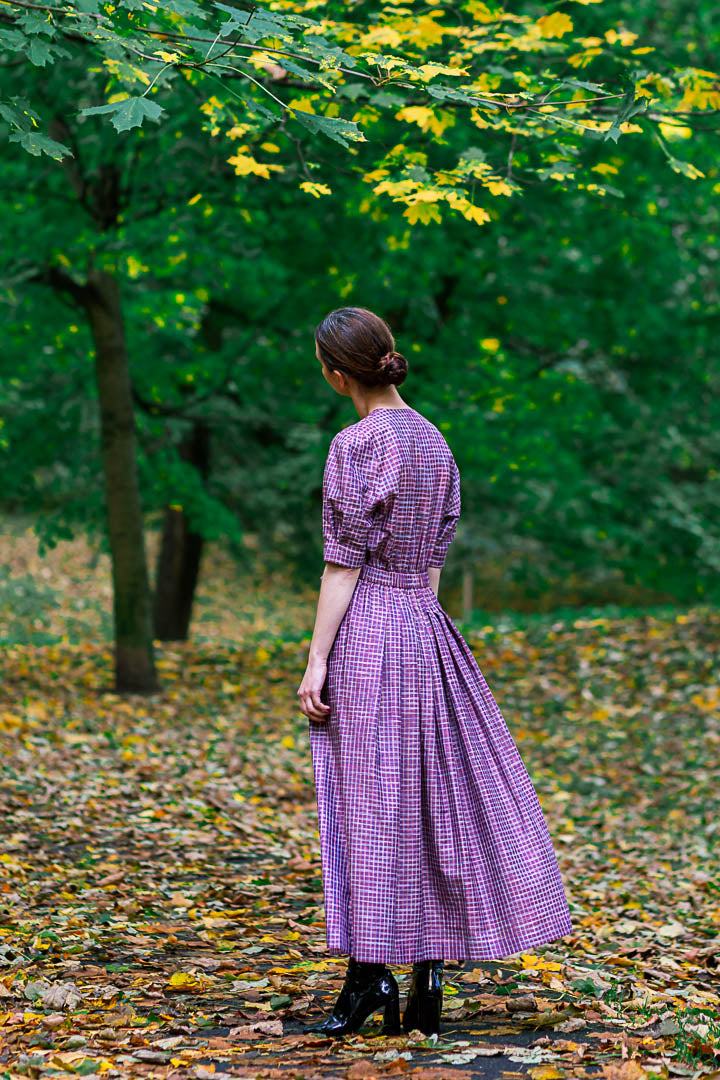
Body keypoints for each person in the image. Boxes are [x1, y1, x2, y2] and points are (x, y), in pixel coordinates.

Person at [297, 306, 573, 1038]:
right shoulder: (433, 440)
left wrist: (318, 658)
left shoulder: (357, 442)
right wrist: (423, 624)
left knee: (371, 804)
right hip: (426, 625)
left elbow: (343, 563)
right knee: (428, 797)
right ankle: (427, 971)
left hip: (372, 630)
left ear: (336, 374)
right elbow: (435, 561)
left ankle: (370, 974)